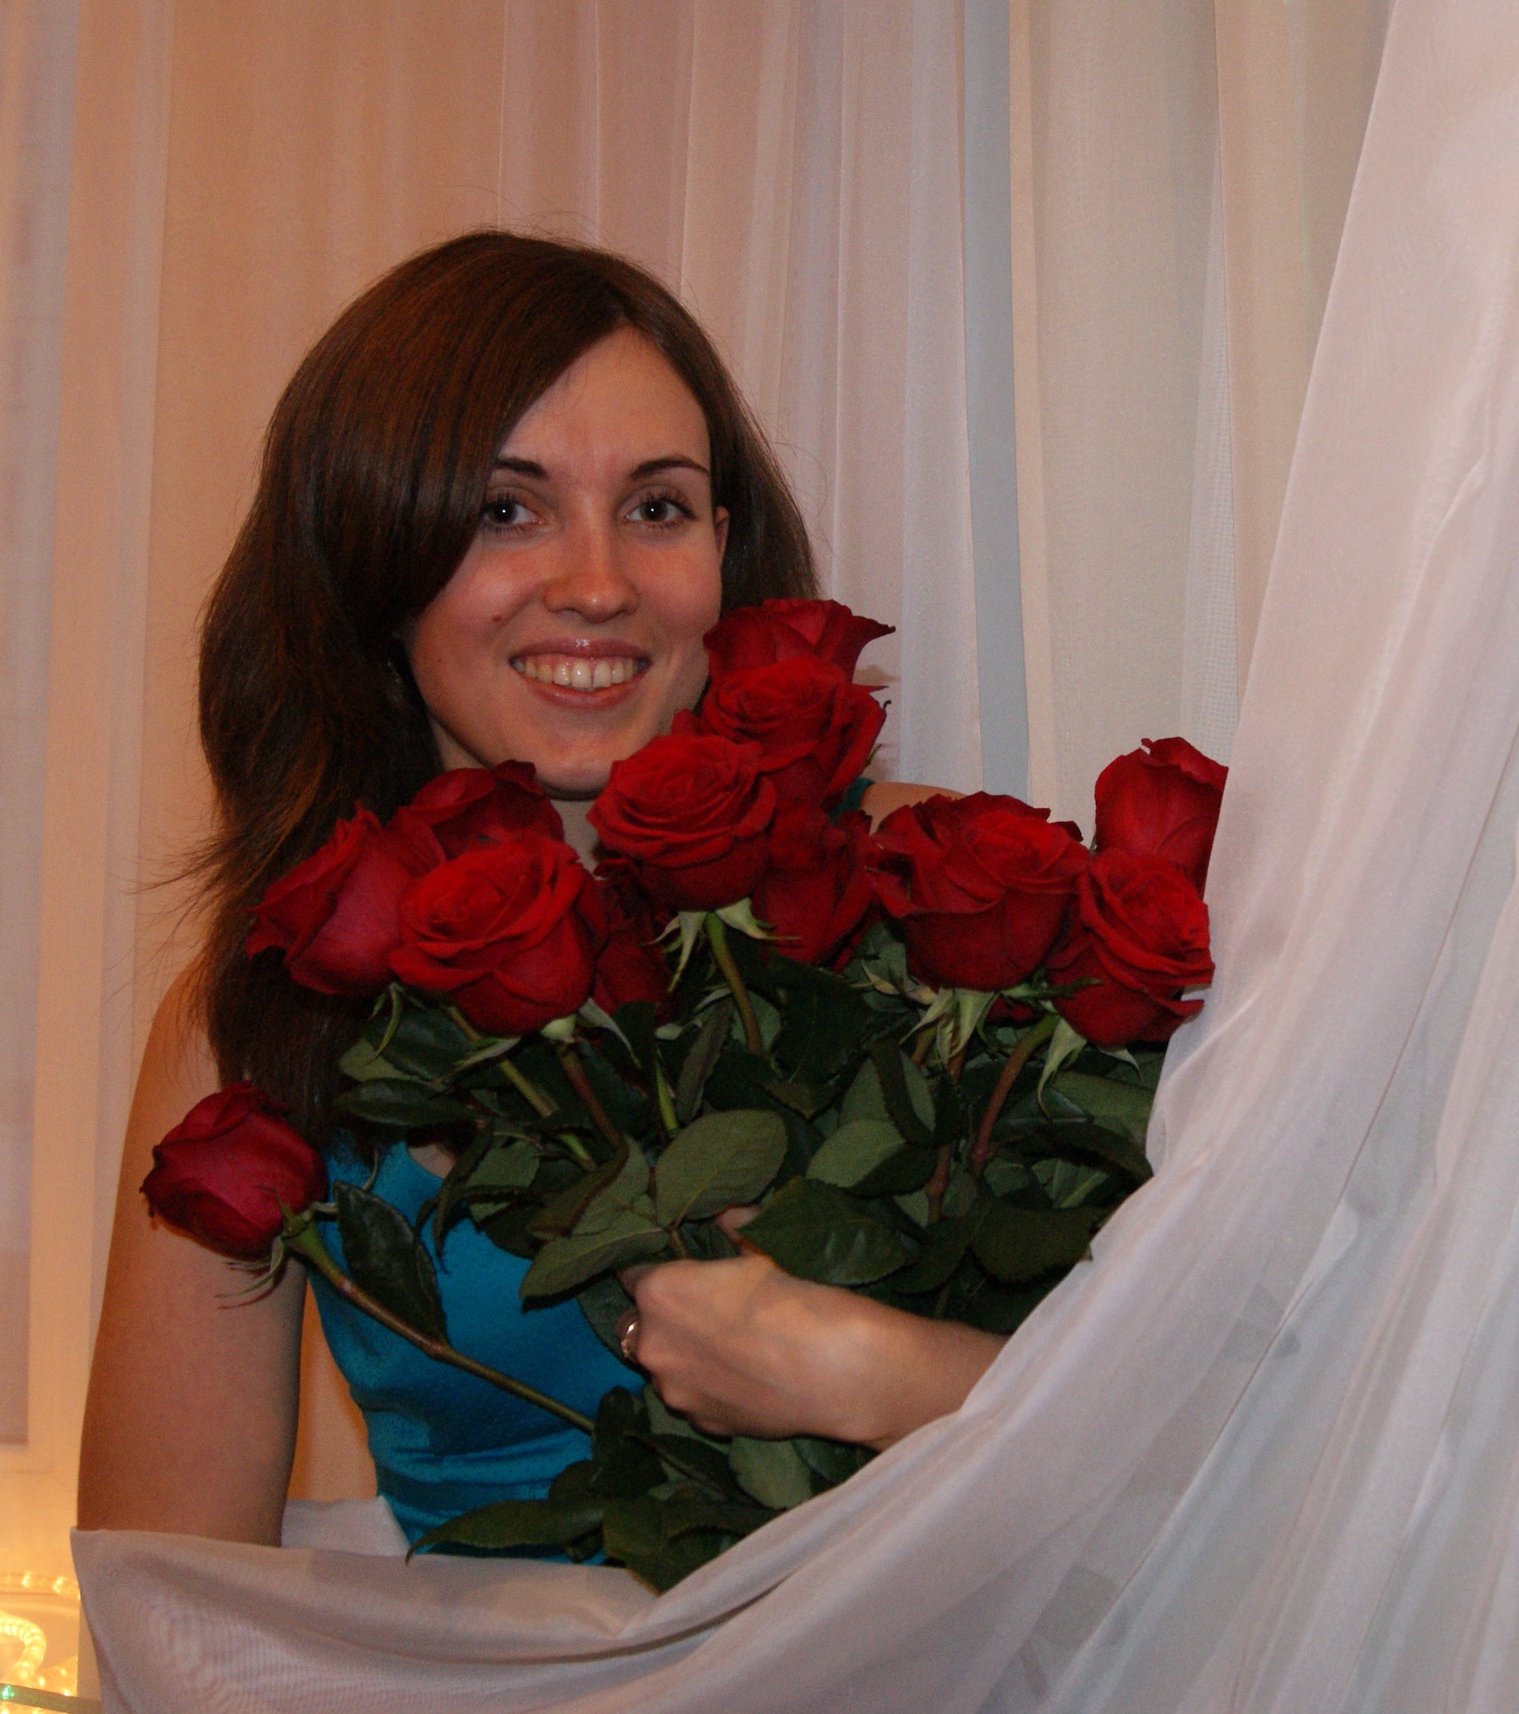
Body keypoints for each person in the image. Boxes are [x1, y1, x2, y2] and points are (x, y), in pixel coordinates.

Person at [77, 232, 1001, 1547]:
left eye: (656, 507)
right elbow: (171, 1597)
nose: (598, 585)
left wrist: (882, 1374)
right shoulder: (260, 1020)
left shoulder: (940, 893)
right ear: (372, 558)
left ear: (725, 546)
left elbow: (1205, 1420)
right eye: (505, 511)